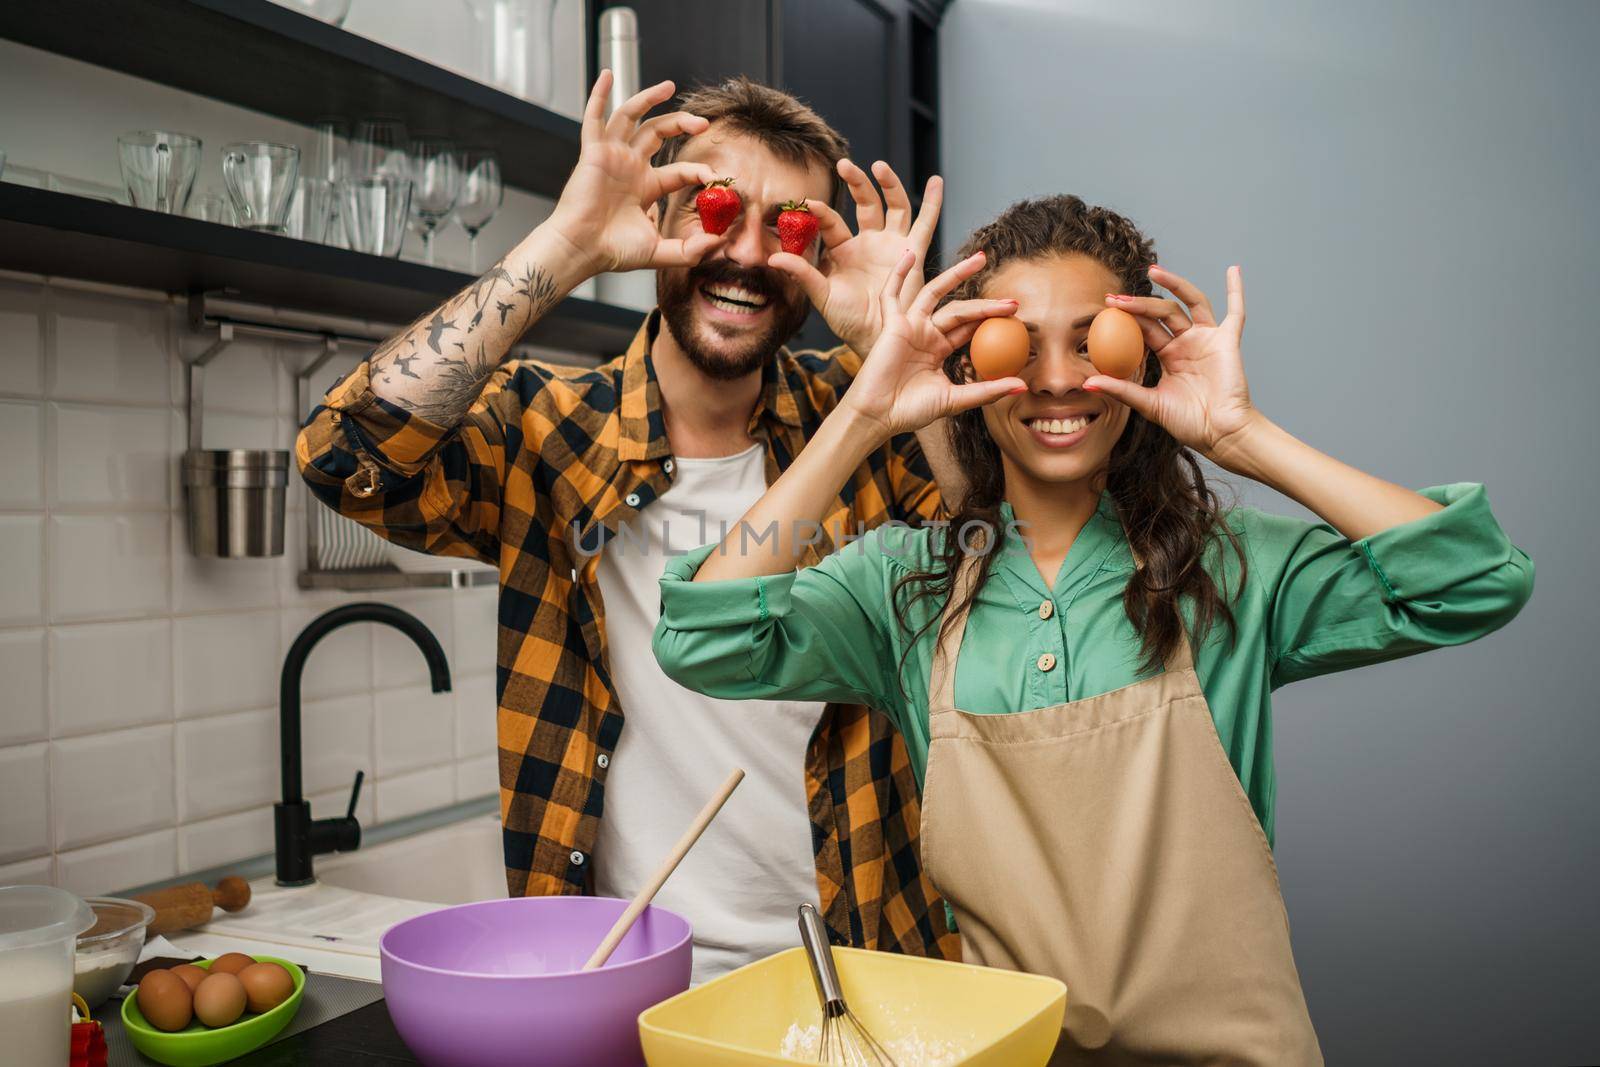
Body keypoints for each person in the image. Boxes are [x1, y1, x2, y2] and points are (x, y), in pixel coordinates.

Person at [652, 194, 1533, 1060]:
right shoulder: (905, 585)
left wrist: (1243, 433)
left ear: (1142, 361)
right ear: (966, 363)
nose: (1059, 377)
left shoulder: (1233, 568)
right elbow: (705, 637)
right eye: (1017, 342)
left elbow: (1474, 578)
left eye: (1091, 339)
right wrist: (865, 414)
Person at [297, 72, 1010, 981]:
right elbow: (340, 457)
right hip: (622, 984)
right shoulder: (547, 430)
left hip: (864, 969)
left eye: (789, 226)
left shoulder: (858, 419)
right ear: (666, 217)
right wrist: (567, 246)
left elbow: (1004, 565)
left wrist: (884, 346)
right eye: (715, 209)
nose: (747, 255)